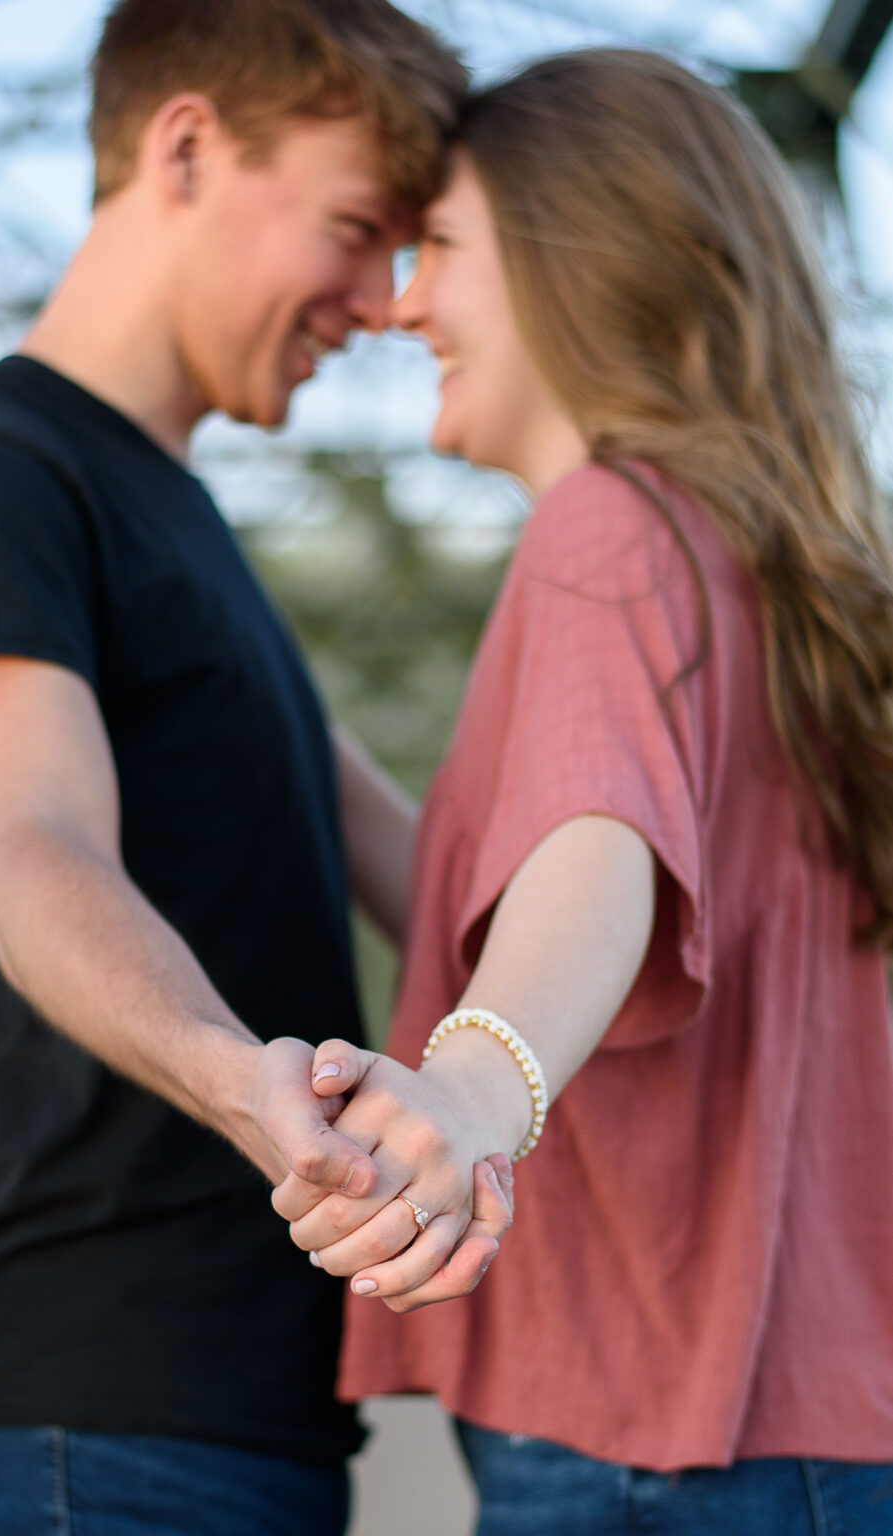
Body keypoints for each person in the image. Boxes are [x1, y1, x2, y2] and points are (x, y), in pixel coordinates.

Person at [0, 4, 513, 1533]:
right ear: (185, 147)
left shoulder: (177, 520)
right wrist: (247, 1086)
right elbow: (34, 852)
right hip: (59, 1431)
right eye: (355, 230)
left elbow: (434, 881)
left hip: (206, 1431)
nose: (375, 302)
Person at [271, 48, 893, 1532]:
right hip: (809, 1426)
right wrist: (274, 713)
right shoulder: (743, 565)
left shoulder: (600, 531)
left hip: (649, 1435)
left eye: (446, 252)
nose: (401, 303)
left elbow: (593, 856)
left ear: (580, 260)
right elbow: (531, 872)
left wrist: (477, 1087)